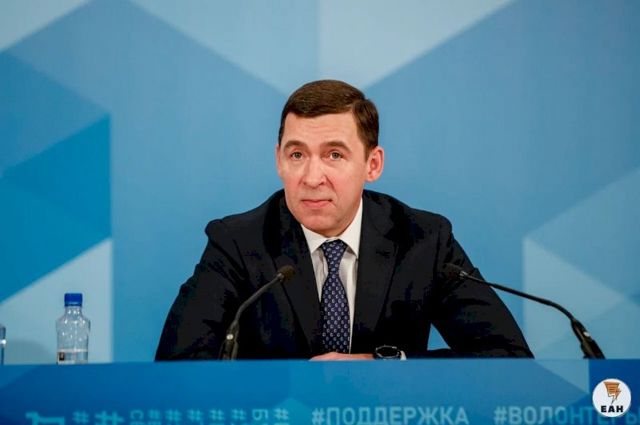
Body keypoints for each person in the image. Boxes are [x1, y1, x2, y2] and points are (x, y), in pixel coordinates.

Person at [155, 80, 532, 361]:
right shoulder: (238, 243)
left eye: (334, 155)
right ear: (278, 160)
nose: (311, 177)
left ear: (373, 164)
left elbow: (508, 356)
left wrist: (385, 366)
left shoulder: (424, 240)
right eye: (297, 154)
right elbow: (178, 363)